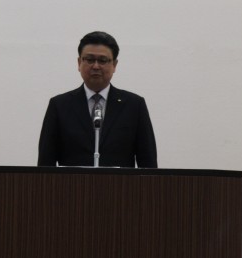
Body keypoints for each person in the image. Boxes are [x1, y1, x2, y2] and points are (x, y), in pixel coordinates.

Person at [38, 31, 157, 168]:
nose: (95, 66)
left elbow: (148, 164)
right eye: (89, 60)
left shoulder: (134, 105)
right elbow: (45, 164)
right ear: (79, 63)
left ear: (114, 65)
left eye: (102, 60)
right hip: (72, 182)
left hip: (119, 182)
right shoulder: (59, 105)